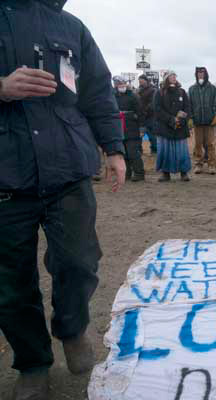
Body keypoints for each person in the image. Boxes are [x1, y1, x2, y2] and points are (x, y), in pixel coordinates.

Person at [0, 1, 126, 398]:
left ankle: (72, 329)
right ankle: (33, 363)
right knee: (10, 283)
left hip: (68, 168)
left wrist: (115, 148)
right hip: (5, 172)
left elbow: (97, 92)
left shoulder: (72, 27)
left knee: (79, 261)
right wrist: (1, 88)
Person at [154, 71, 192, 182]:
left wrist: (181, 119)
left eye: (175, 75)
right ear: (166, 78)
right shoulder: (160, 93)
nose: (174, 77)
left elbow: (187, 107)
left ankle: (183, 172)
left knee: (181, 150)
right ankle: (165, 173)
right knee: (165, 150)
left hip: (180, 127)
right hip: (165, 127)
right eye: (171, 76)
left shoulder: (182, 92)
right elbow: (157, 109)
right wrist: (171, 119)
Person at [113, 76, 145, 182]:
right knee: (123, 153)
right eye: (119, 84)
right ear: (116, 85)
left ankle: (139, 173)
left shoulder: (133, 96)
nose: (122, 85)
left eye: (123, 83)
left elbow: (140, 112)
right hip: (118, 127)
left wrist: (141, 127)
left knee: (133, 152)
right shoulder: (113, 96)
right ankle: (127, 173)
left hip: (132, 127)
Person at [189, 66, 216, 175]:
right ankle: (198, 164)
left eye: (202, 73)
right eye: (198, 73)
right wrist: (190, 118)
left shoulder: (212, 88)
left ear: (206, 74)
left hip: (210, 122)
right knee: (197, 144)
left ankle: (212, 165)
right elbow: (189, 105)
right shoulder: (192, 89)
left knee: (210, 144)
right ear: (196, 75)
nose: (200, 75)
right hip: (197, 122)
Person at [137, 74, 157, 154]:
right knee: (139, 135)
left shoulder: (152, 90)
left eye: (142, 81)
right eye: (139, 81)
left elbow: (152, 103)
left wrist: (145, 111)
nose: (140, 82)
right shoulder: (138, 90)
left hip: (150, 116)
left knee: (152, 135)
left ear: (146, 81)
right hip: (140, 116)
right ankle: (139, 150)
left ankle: (154, 149)